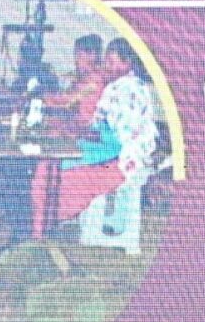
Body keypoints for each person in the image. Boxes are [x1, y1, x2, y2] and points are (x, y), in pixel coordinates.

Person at [50, 39, 162, 232]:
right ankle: (49, 214)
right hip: (118, 148)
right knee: (62, 158)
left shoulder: (124, 88)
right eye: (106, 61)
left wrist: (80, 136)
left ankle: (50, 216)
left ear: (127, 63)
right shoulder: (129, 85)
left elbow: (120, 139)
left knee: (63, 167)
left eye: (111, 62)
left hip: (124, 157)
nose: (106, 66)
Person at [41, 34, 110, 123]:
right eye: (76, 55)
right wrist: (47, 98)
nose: (76, 61)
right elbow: (68, 98)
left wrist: (48, 104)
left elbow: (83, 118)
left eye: (79, 55)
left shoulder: (95, 82)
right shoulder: (84, 78)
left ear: (92, 55)